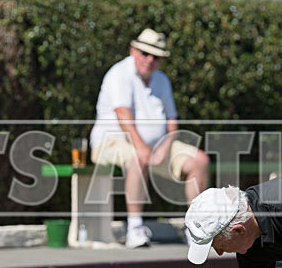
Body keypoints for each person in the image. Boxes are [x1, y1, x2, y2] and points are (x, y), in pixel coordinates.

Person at [89, 28, 209, 248]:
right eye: (145, 53)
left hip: (155, 146)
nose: (150, 60)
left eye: (156, 56)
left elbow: (172, 120)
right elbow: (122, 114)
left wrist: (165, 145)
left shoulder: (162, 80)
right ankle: (134, 229)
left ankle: (195, 229)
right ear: (133, 51)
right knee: (138, 157)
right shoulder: (119, 74)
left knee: (200, 161)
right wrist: (143, 149)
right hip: (111, 142)